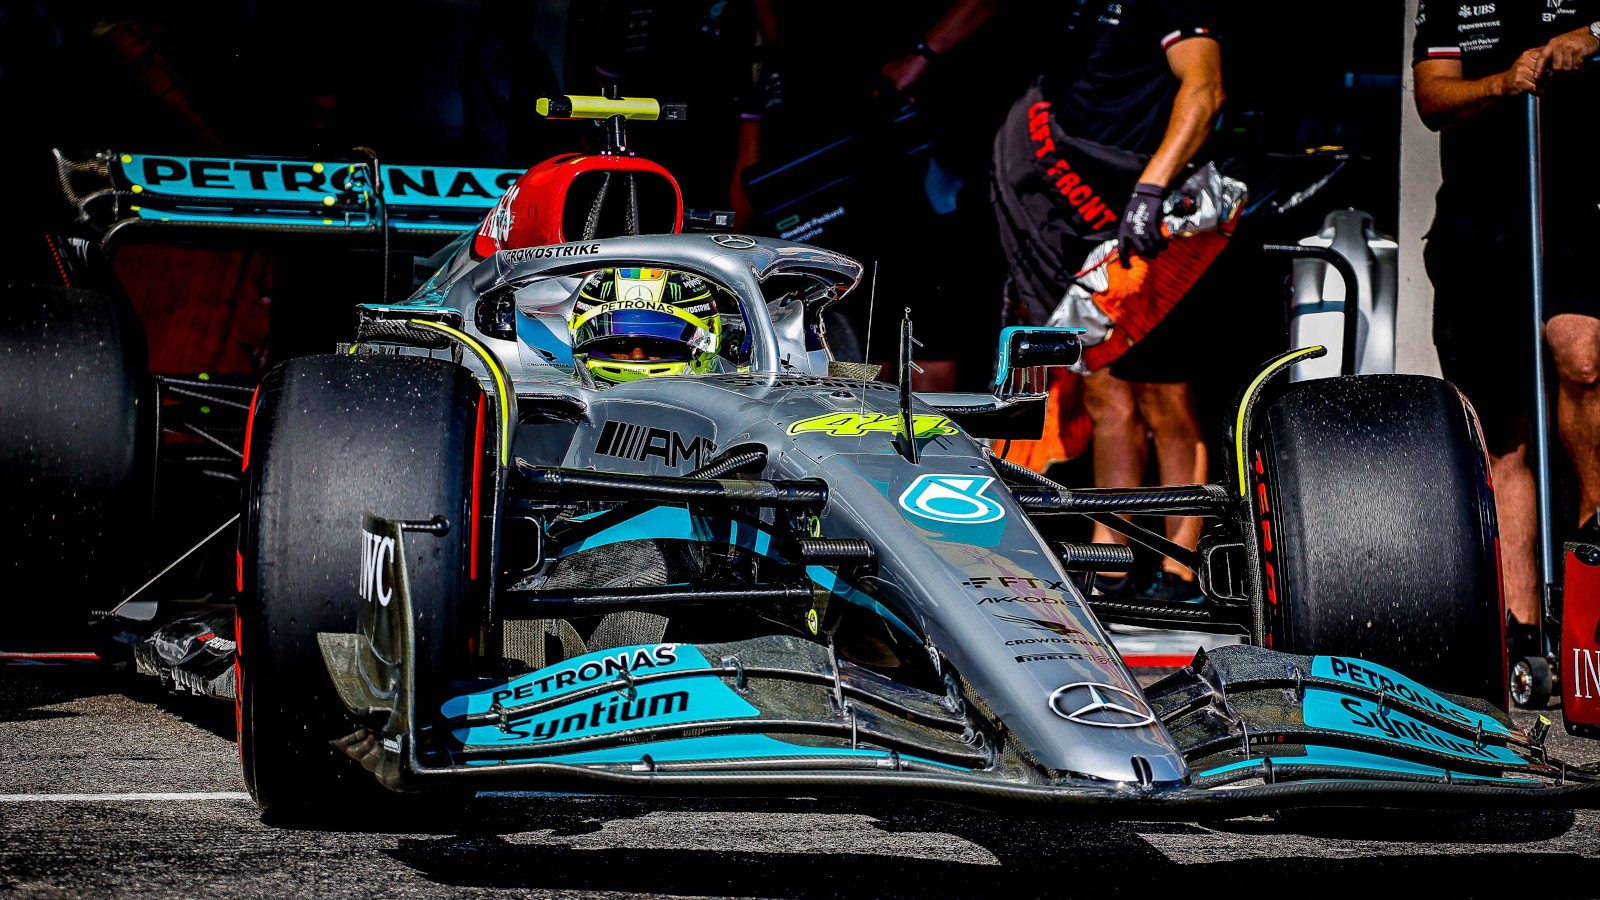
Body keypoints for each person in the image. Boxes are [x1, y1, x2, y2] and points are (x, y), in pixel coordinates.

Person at [894, 0, 1224, 602]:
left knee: (1166, 401)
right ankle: (1114, 564)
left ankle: (1180, 571)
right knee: (1106, 399)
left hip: (1149, 220)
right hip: (1070, 221)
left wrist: (1151, 188)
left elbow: (1204, 89)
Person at [1412, 3, 1600, 653]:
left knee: (1582, 355)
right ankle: (1520, 630)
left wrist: (1594, 36)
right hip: (1480, 225)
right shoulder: (1453, 1)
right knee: (1498, 429)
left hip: (1582, 205)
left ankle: (1591, 571)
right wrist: (1503, 81)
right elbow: (1432, 97)